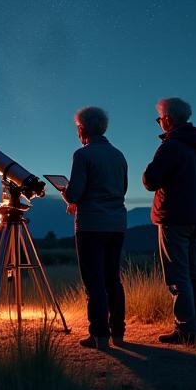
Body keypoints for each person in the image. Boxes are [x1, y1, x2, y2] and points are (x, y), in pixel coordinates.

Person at [142, 97, 196, 344]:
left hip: (173, 217)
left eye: (159, 119)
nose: (159, 123)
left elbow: (151, 180)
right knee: (195, 274)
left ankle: (185, 329)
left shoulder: (171, 146)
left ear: (168, 119)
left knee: (177, 276)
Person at [62, 106, 128, 350]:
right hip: (117, 225)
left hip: (91, 226)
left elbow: (75, 193)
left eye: (78, 128)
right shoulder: (119, 155)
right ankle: (118, 334)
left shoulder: (83, 155)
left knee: (94, 281)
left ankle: (99, 335)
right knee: (113, 279)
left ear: (83, 129)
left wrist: (66, 194)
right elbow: (122, 188)